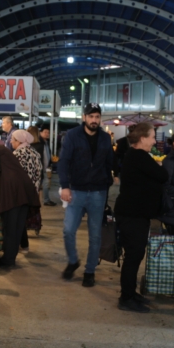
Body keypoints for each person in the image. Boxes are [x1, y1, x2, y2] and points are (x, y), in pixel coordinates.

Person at [114, 122, 169, 313]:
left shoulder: (136, 156)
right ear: (143, 138)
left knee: (135, 255)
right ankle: (126, 297)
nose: (154, 141)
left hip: (135, 214)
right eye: (152, 137)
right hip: (132, 215)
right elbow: (163, 175)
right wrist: (158, 166)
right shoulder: (139, 156)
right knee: (133, 256)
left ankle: (130, 292)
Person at [59, 103, 114, 287]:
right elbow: (64, 161)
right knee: (68, 230)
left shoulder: (106, 138)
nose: (94, 120)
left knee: (95, 235)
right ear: (84, 117)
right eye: (91, 116)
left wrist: (110, 180)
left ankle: (90, 271)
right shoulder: (73, 136)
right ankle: (73, 260)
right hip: (76, 191)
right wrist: (65, 186)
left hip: (98, 192)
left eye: (97, 117)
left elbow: (110, 162)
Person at [0, 135, 40, 267]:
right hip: (24, 190)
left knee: (9, 226)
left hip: (13, 193)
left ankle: (8, 259)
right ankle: (10, 258)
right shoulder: (5, 151)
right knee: (17, 227)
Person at [12, 129, 43, 251]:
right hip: (32, 191)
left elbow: (16, 175)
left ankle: (19, 245)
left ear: (19, 141)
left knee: (18, 219)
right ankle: (24, 244)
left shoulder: (19, 153)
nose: (10, 141)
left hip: (22, 192)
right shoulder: (33, 151)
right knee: (22, 218)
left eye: (13, 139)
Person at [38, 127, 55, 206]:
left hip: (46, 167)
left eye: (48, 132)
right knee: (45, 184)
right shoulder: (39, 143)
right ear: (40, 133)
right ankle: (46, 200)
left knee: (46, 184)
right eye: (45, 132)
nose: (47, 134)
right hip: (42, 168)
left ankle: (46, 200)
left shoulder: (45, 143)